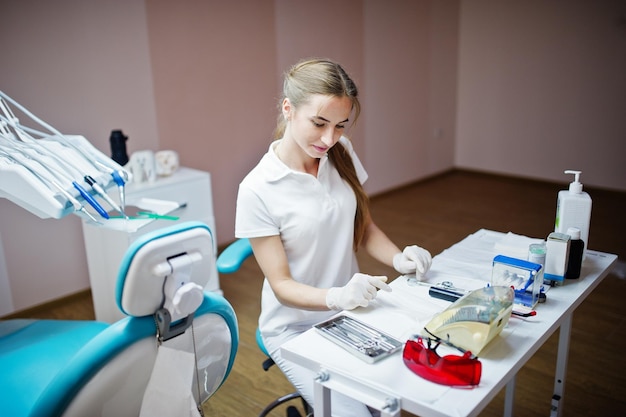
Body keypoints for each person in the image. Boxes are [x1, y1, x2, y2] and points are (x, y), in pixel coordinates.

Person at [235, 58, 432, 417]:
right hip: (294, 326)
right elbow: (281, 285)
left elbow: (366, 227)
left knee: (387, 407)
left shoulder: (340, 154)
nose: (329, 138)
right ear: (288, 109)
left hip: (352, 313)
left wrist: (399, 257)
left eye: (340, 125)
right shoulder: (257, 189)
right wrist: (337, 296)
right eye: (319, 123)